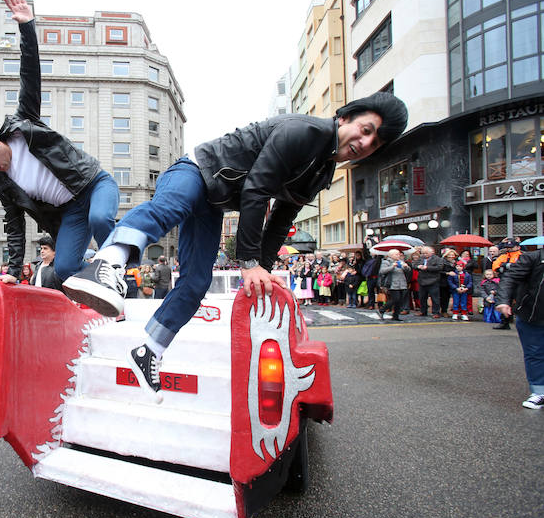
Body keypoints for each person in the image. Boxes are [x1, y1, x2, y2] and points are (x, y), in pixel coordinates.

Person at [63, 91, 408, 394]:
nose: (364, 143)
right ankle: (106, 263)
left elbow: (281, 221)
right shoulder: (306, 132)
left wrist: (264, 270)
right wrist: (247, 263)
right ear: (345, 117)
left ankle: (149, 350)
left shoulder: (321, 171)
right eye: (365, 130)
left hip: (214, 202)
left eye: (374, 143)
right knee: (172, 206)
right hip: (194, 171)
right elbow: (256, 190)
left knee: (197, 282)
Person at [0, 0, 118, 285]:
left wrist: (27, 27)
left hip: (93, 185)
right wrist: (13, 273)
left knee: (100, 219)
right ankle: (97, 276)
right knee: (65, 269)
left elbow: (29, 76)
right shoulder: (3, 185)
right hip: (70, 212)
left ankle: (120, 262)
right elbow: (14, 227)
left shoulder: (23, 124)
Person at [494, 249, 544, 409]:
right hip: (532, 315)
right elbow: (509, 278)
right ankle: (539, 392)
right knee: (535, 353)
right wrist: (503, 300)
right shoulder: (533, 258)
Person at [492, 238, 522, 330]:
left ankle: (522, 321)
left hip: (519, 282)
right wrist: (507, 266)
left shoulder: (522, 256)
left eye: (511, 247)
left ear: (517, 247)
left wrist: (505, 266)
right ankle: (505, 322)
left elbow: (519, 267)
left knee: (520, 301)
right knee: (505, 300)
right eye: (508, 247)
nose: (509, 249)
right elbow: (495, 267)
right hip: (505, 281)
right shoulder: (503, 256)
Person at [378, 250, 411, 321]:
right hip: (392, 283)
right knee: (395, 299)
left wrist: (406, 267)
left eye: (399, 254)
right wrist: (392, 266)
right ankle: (383, 308)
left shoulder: (401, 261)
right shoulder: (386, 262)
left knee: (400, 301)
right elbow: (382, 271)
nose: (398, 256)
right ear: (391, 255)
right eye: (396, 254)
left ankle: (396, 316)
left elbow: (408, 270)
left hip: (402, 283)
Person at [413, 246, 444, 317]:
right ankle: (423, 311)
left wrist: (427, 268)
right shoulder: (421, 258)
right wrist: (418, 267)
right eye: (423, 253)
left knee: (435, 298)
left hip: (433, 281)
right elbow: (414, 265)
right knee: (422, 297)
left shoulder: (437, 259)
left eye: (426, 253)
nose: (424, 255)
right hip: (422, 281)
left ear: (431, 252)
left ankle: (436, 312)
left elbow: (439, 267)